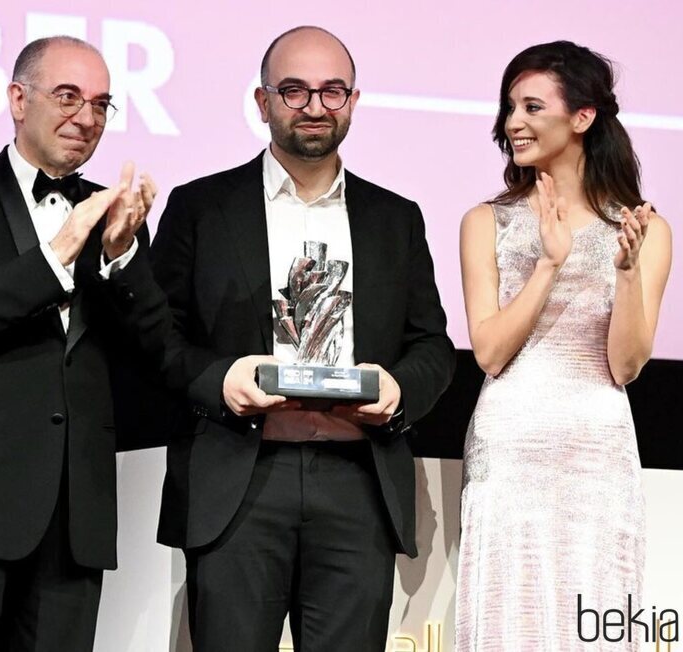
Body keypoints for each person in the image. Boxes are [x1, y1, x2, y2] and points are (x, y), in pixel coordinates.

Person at [151, 25, 456, 652]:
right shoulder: (200, 207)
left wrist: (399, 391)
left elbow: (433, 346)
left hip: (356, 482)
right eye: (294, 91)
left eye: (331, 91)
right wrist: (219, 382)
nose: (315, 106)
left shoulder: (395, 218)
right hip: (240, 478)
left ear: (353, 101)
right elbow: (157, 337)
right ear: (262, 103)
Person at [0, 36, 168, 651]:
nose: (87, 117)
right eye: (68, 96)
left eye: (101, 104)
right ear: (19, 99)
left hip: (74, 517)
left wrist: (124, 256)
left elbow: (154, 349)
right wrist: (57, 255)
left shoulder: (113, 217)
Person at [456, 41, 672, 650]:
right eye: (508, 108)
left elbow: (625, 365)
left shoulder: (644, 230)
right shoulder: (485, 221)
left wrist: (626, 273)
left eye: (531, 106)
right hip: (511, 447)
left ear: (582, 117)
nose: (513, 123)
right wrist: (551, 264)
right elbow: (491, 353)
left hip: (596, 455)